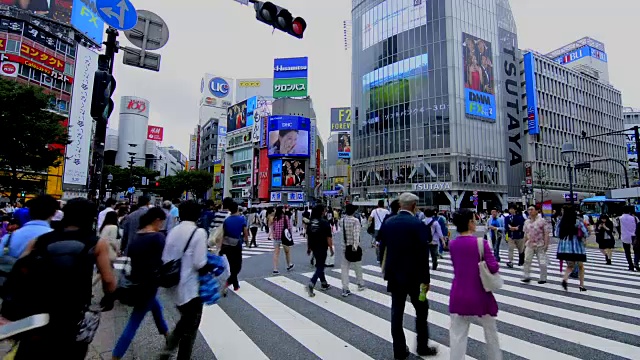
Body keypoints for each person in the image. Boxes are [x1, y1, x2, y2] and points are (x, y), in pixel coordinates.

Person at [7, 198, 117, 359]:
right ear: (90, 218)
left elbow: (19, 269)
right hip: (72, 311)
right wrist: (109, 297)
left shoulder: (41, 240)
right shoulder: (96, 243)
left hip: (38, 309)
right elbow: (108, 280)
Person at [378, 193, 437, 358]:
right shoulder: (418, 224)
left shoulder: (388, 223)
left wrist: (386, 269)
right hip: (416, 278)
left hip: (394, 276)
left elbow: (382, 247)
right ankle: (422, 346)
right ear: (413, 206)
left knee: (397, 312)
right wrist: (426, 281)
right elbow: (423, 255)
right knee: (422, 309)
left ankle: (399, 350)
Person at [112, 207, 169, 360]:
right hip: (148, 285)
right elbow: (163, 259)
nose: (162, 225)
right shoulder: (157, 238)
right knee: (134, 322)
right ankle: (116, 355)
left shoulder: (138, 235)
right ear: (157, 220)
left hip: (135, 281)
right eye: (161, 222)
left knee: (157, 308)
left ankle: (167, 335)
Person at [448, 208, 501, 360]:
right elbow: (493, 267)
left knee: (458, 335)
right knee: (490, 333)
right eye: (474, 219)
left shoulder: (453, 244)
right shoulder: (480, 243)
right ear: (470, 223)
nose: (476, 222)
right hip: (480, 294)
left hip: (458, 293)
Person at [159, 201, 209, 360]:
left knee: (187, 321)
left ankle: (172, 350)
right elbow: (199, 263)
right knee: (191, 323)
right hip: (190, 287)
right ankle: (172, 350)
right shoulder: (199, 233)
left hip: (174, 285)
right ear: (197, 214)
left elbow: (165, 257)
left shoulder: (173, 231)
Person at [556, 205, 588, 291]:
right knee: (580, 265)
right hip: (576, 246)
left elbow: (557, 233)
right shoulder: (577, 221)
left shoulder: (560, 221)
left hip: (564, 247)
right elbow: (585, 233)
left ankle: (565, 279)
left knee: (570, 265)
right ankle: (581, 285)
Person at [219, 201, 248, 291]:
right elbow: (245, 231)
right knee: (238, 266)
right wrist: (247, 241)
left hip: (226, 244)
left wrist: (220, 247)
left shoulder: (227, 220)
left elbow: (223, 234)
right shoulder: (241, 219)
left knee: (232, 265)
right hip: (236, 244)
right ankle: (229, 282)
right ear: (237, 209)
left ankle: (236, 285)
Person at [306, 204, 333, 297]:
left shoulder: (311, 222)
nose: (325, 212)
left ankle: (324, 283)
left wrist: (309, 248)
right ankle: (312, 282)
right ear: (321, 212)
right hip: (322, 246)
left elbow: (308, 236)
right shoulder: (324, 223)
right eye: (324, 210)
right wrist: (331, 248)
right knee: (320, 266)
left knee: (319, 264)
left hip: (314, 246)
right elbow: (328, 237)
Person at [340, 204, 365, 297]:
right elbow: (356, 234)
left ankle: (345, 288)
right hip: (353, 247)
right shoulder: (355, 221)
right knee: (357, 266)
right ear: (353, 211)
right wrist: (355, 246)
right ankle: (360, 283)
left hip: (345, 247)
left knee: (344, 268)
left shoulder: (342, 220)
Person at [522, 205, 549, 284]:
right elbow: (525, 233)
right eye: (529, 210)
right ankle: (526, 276)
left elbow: (546, 233)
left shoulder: (542, 221)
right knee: (526, 260)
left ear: (537, 211)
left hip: (540, 244)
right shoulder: (526, 222)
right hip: (529, 244)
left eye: (532, 209)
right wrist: (524, 244)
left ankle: (543, 278)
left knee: (542, 262)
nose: (530, 211)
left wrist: (546, 244)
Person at [271, 206, 294, 275]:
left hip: (276, 237)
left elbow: (273, 228)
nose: (284, 210)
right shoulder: (285, 217)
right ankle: (289, 264)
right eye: (283, 209)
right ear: (281, 210)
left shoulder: (274, 218)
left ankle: (275, 269)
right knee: (287, 251)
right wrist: (290, 236)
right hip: (284, 237)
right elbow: (289, 227)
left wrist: (273, 235)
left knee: (276, 253)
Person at [619, 206, 639, 271]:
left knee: (627, 252)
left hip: (624, 237)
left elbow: (616, 226)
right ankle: (636, 262)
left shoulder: (620, 218)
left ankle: (631, 266)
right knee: (637, 251)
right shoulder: (634, 218)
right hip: (635, 236)